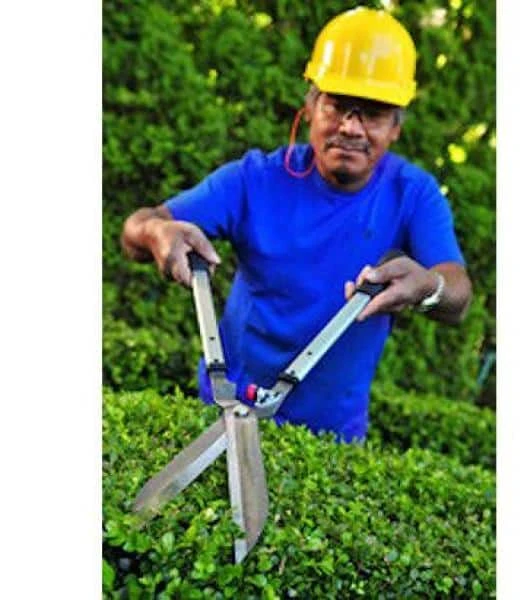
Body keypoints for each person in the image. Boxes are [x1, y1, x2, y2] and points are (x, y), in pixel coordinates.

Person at [121, 7, 472, 442]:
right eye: (337, 105)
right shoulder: (255, 179)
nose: (351, 127)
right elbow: (139, 227)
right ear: (310, 106)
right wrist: (157, 232)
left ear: (396, 127)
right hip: (225, 413)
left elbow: (457, 292)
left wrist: (429, 287)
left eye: (373, 113)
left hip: (332, 438)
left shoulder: (413, 194)